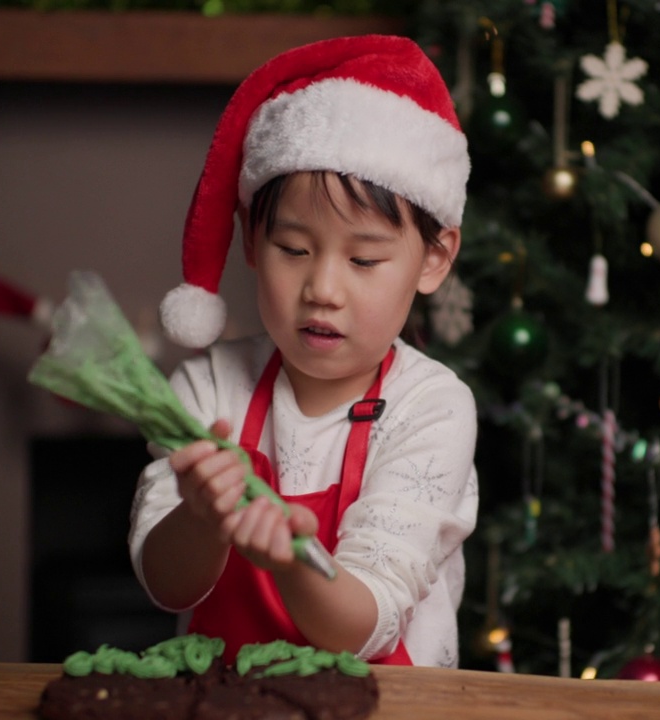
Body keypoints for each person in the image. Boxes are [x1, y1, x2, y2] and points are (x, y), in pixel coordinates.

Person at [128, 35, 478, 669]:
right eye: (294, 249)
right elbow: (166, 585)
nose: (322, 290)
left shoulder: (433, 408)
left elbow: (368, 624)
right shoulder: (208, 389)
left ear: (433, 259)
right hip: (224, 703)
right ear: (251, 242)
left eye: (364, 259)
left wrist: (292, 561)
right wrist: (202, 518)